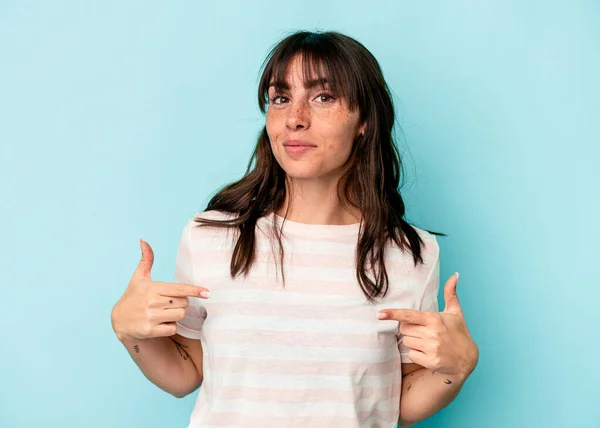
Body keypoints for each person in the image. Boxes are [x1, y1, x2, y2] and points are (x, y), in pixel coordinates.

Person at [111, 30, 479, 428]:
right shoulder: (210, 237)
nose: (294, 119)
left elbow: (396, 402)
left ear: (365, 122)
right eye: (280, 98)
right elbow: (185, 373)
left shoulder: (411, 255)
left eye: (323, 97)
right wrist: (129, 331)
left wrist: (454, 370)